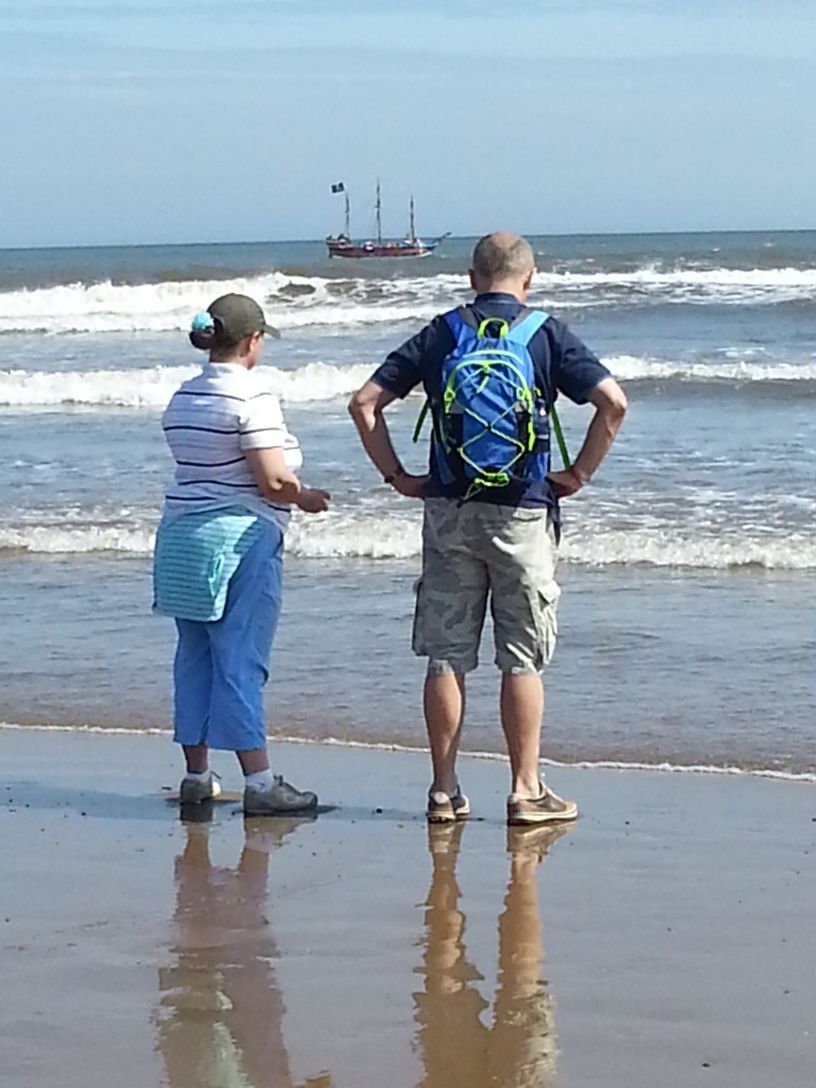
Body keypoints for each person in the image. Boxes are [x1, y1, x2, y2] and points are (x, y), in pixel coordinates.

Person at [349, 232, 627, 825]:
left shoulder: (443, 331)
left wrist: (398, 475)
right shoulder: (546, 332)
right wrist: (577, 473)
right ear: (529, 279)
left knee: (446, 657)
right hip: (523, 511)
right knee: (521, 657)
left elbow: (365, 403)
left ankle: (444, 791)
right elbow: (614, 404)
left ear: (473, 277)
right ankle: (526, 791)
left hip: (448, 509)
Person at [154, 293, 329, 815]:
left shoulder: (183, 397)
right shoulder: (252, 397)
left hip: (182, 538)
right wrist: (306, 497)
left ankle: (197, 774)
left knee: (194, 657)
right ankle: (260, 783)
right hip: (238, 540)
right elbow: (272, 480)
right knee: (241, 659)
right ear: (253, 341)